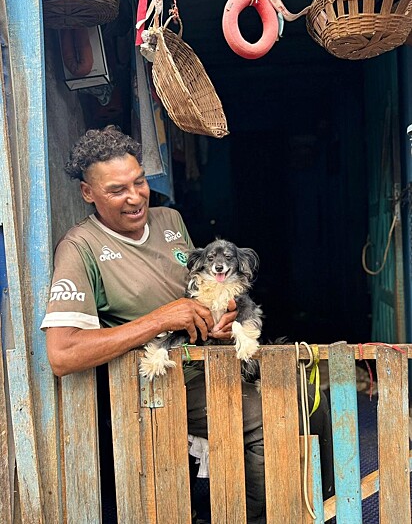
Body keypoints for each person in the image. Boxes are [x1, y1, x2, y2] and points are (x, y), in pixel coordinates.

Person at [42, 125, 334, 523]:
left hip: (212, 359)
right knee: (269, 416)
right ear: (88, 193)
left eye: (139, 182)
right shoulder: (80, 248)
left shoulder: (169, 220)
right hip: (158, 381)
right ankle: (254, 516)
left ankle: (322, 506)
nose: (134, 198)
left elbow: (204, 288)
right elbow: (62, 354)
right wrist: (160, 319)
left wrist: (223, 311)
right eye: (116, 190)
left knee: (314, 395)